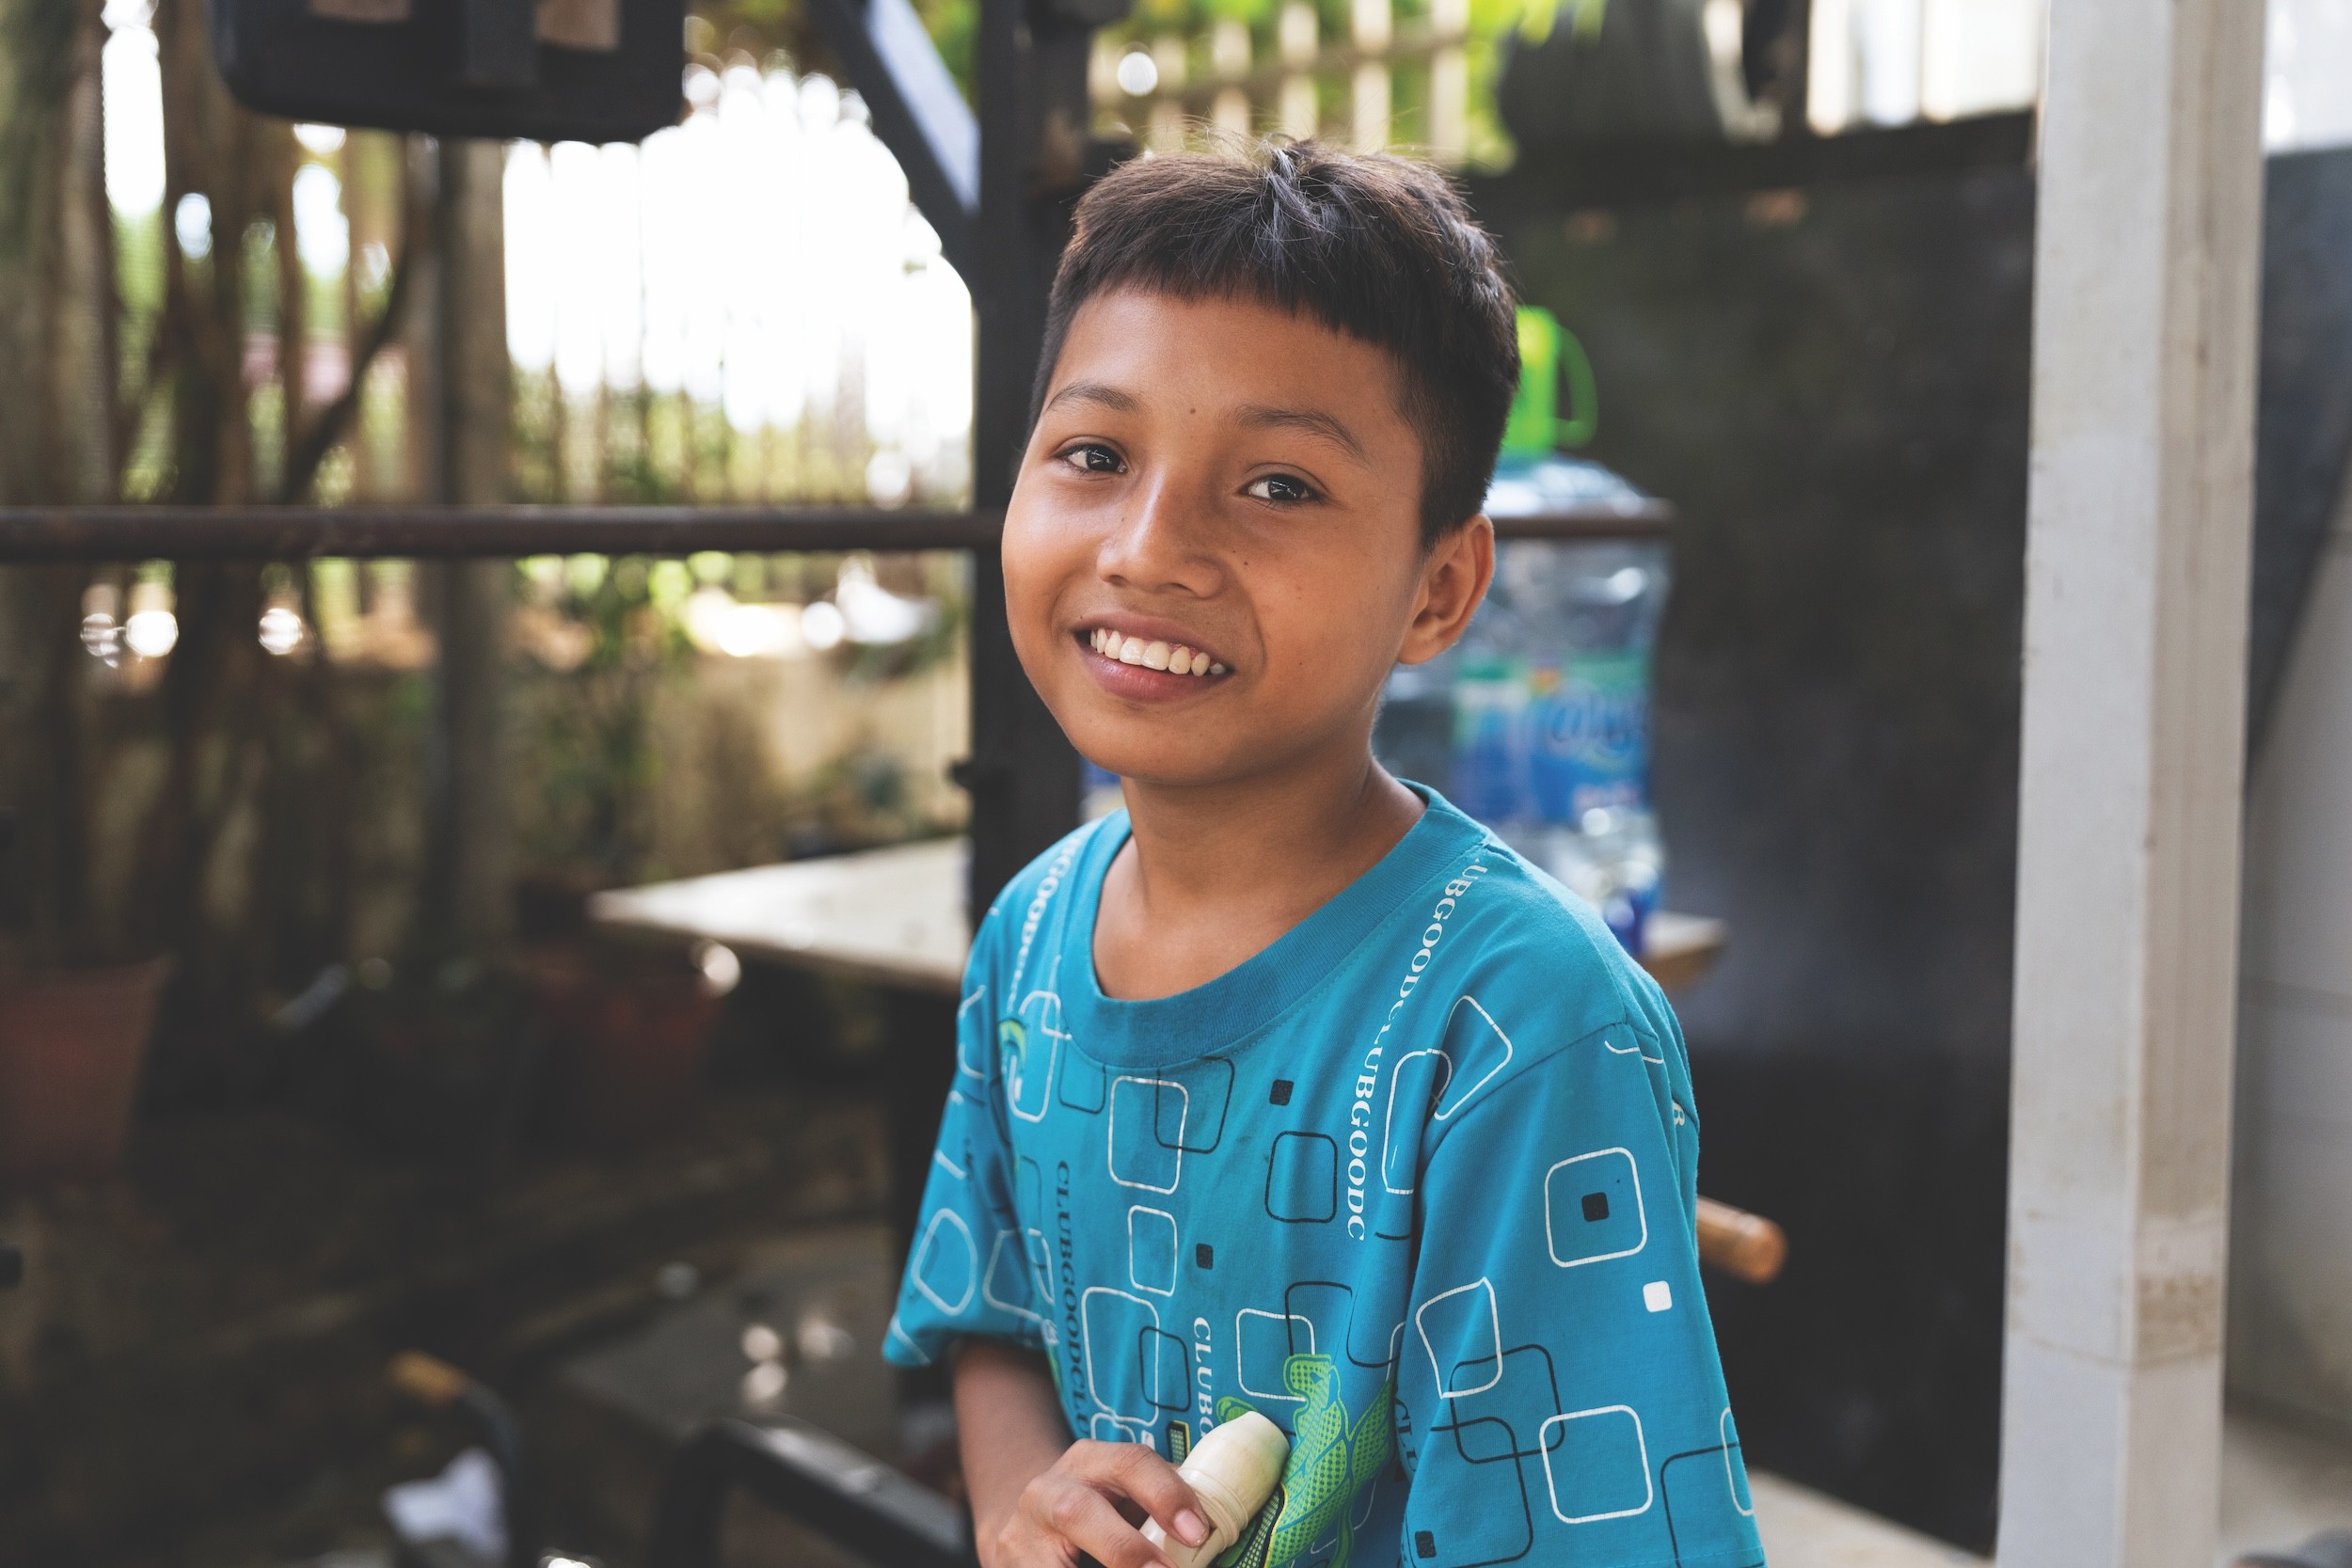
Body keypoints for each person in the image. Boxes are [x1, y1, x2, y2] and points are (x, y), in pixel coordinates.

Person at [884, 137, 1763, 1568]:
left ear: (1439, 589)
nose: (1151, 547)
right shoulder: (1032, 937)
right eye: (1096, 455)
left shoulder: (1521, 1030)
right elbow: (990, 1317)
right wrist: (1018, 1508)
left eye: (1279, 486)